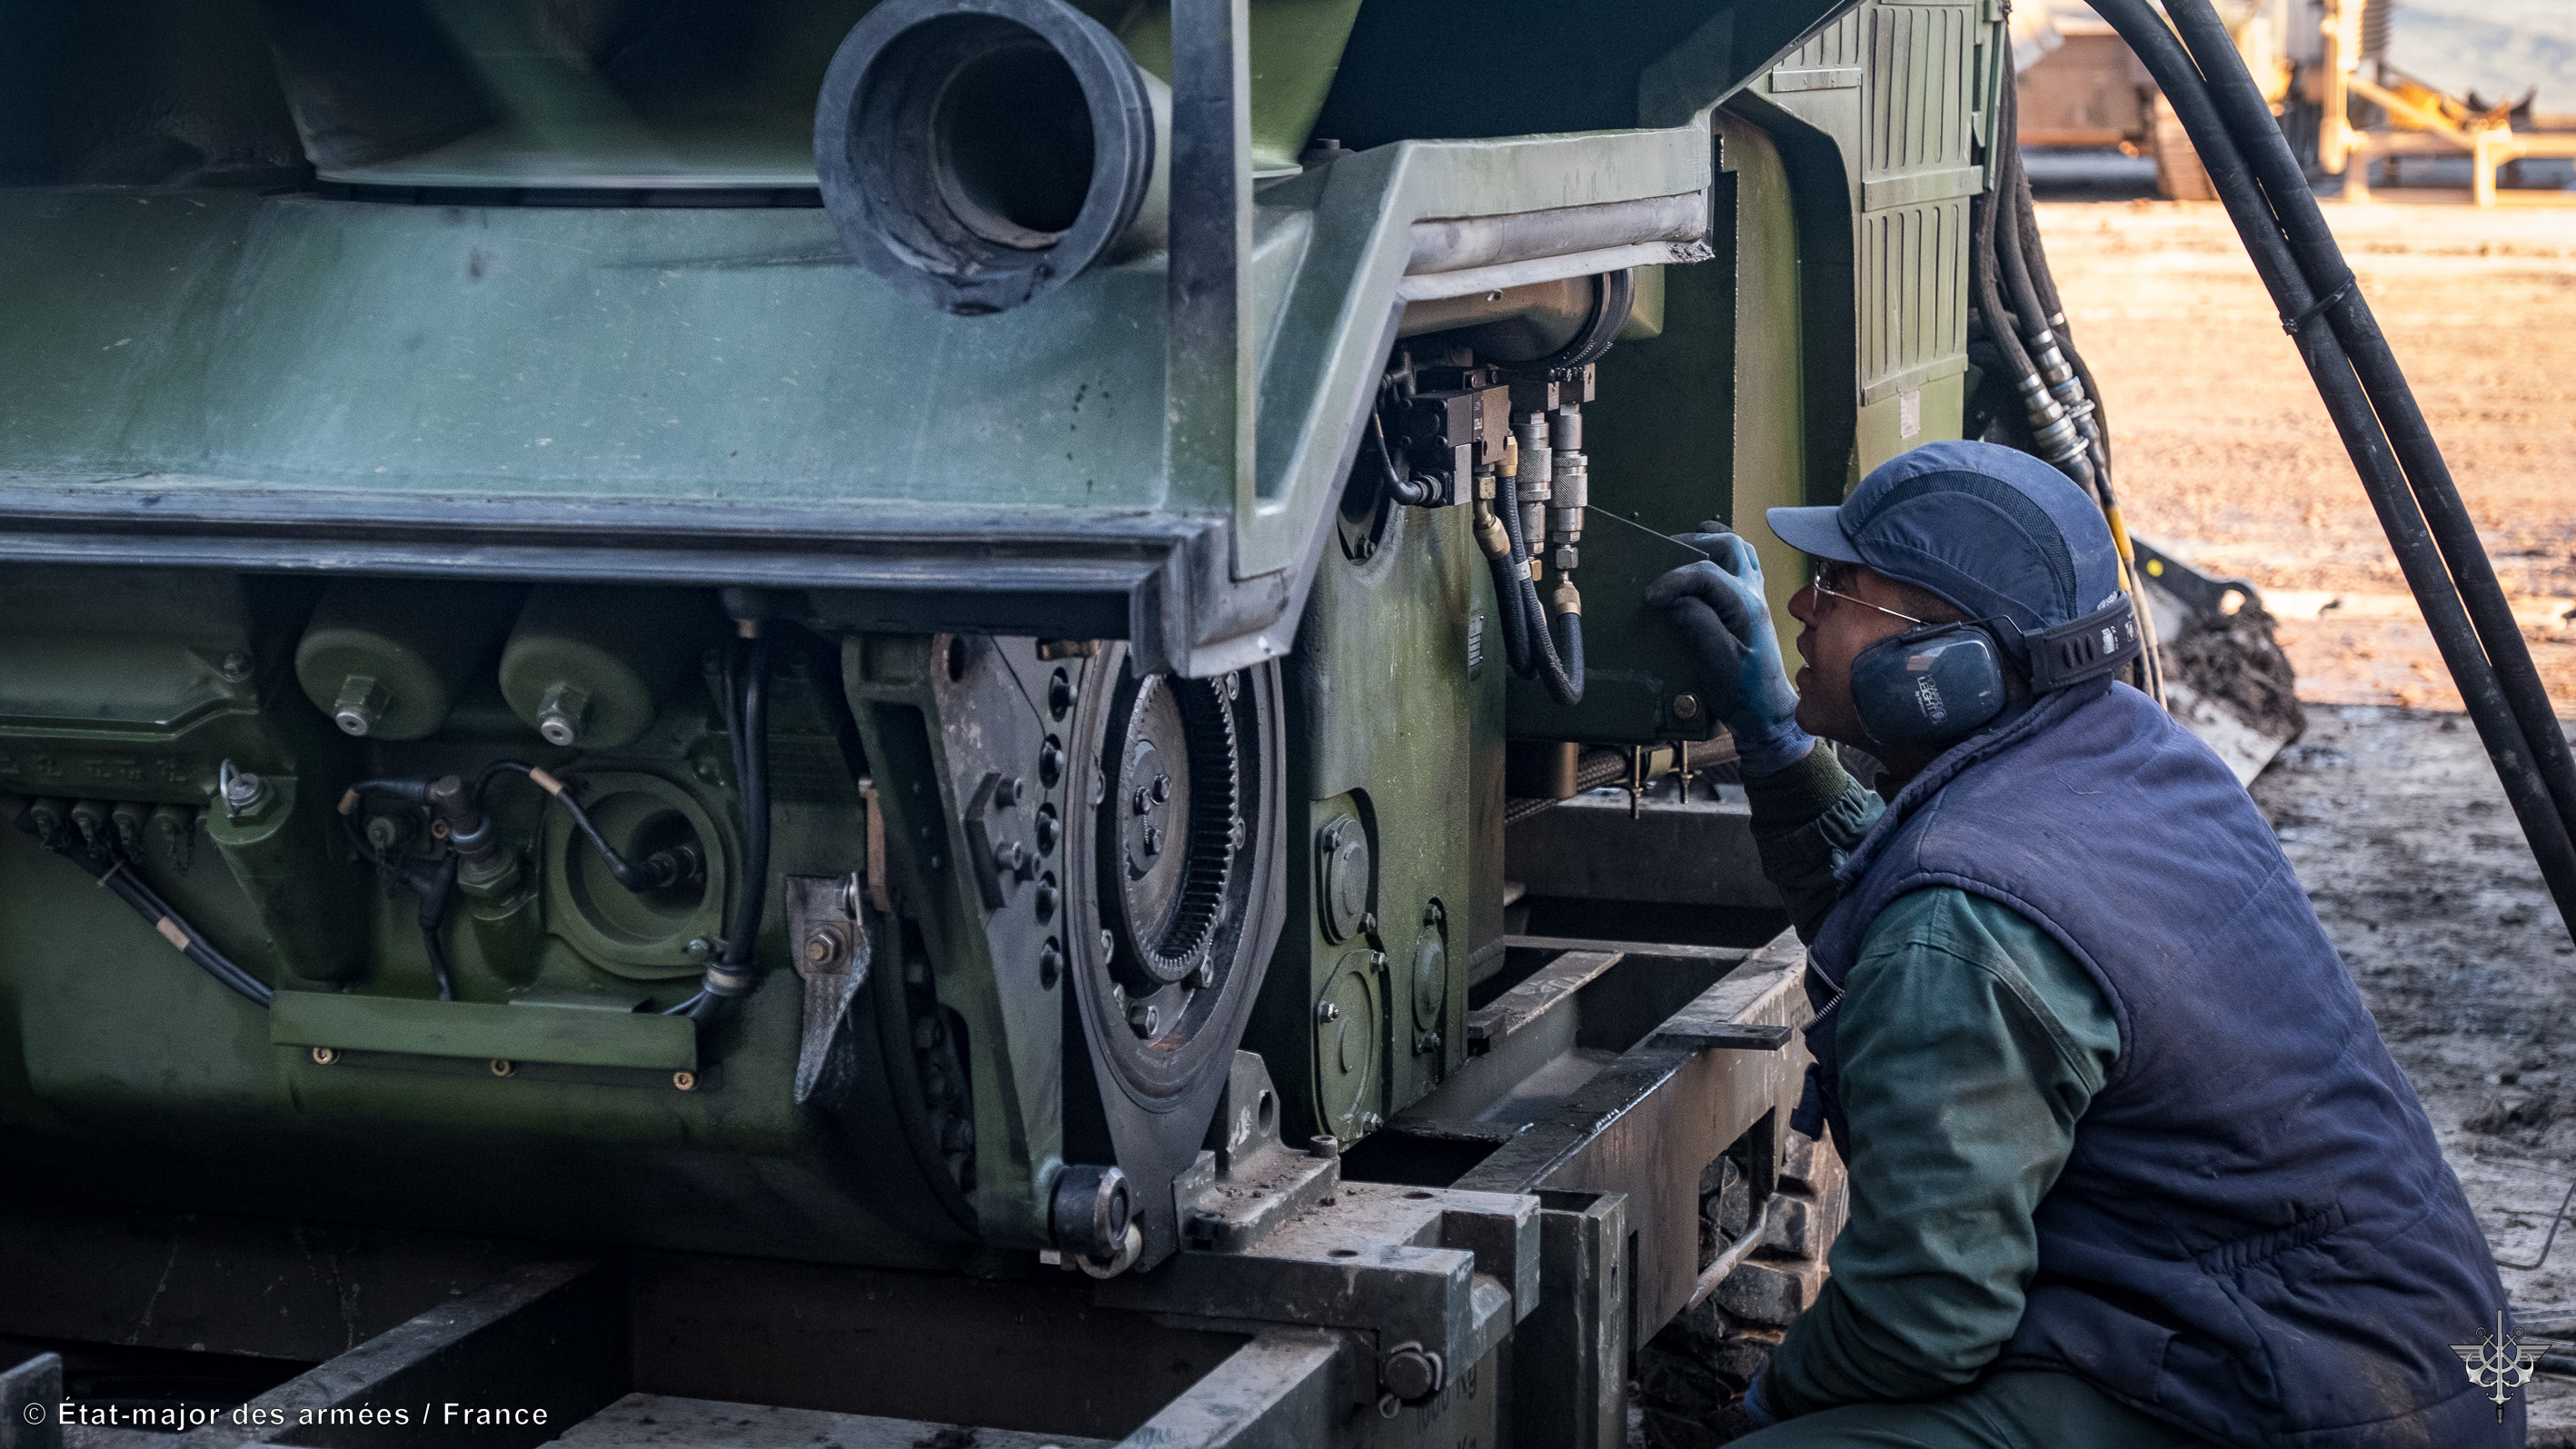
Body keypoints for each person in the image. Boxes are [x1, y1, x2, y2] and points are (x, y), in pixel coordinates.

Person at [1645, 440, 2516, 1448]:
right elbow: (1903, 895)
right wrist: (1776, 741)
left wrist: (1764, 1404)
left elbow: (1921, 1324)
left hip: (2295, 1410)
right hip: (2382, 1366)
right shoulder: (2135, 758)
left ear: (1941, 670)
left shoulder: (1963, 928)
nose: (1799, 608)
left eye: (1839, 585)